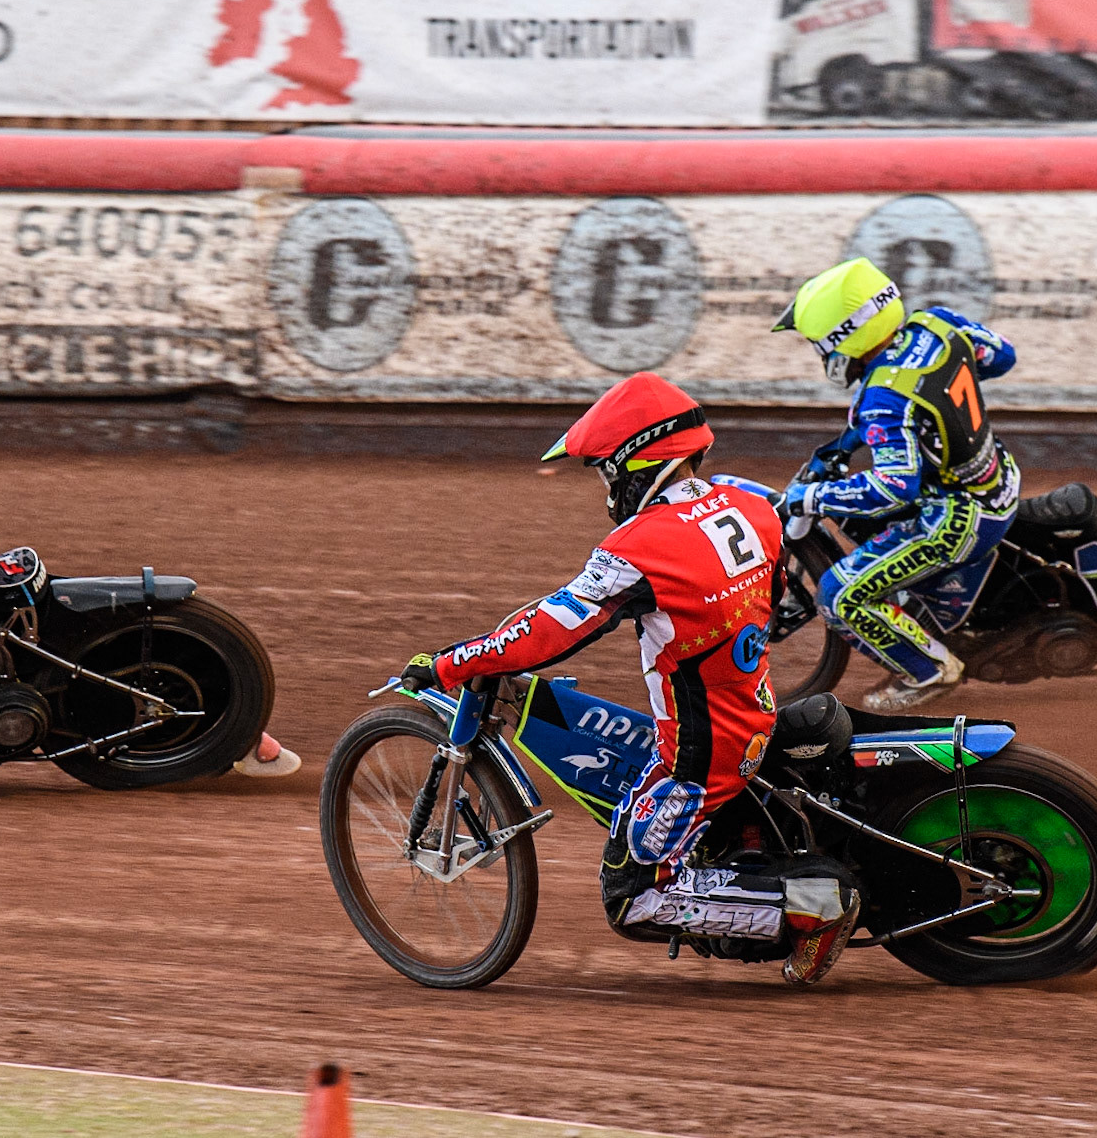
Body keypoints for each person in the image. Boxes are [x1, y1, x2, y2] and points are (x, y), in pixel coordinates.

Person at [399, 372, 863, 985]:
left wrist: (454, 661)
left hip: (700, 754)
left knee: (631, 896)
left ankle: (816, 905)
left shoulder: (641, 545)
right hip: (753, 705)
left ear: (635, 462)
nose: (607, 487)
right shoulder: (752, 505)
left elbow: (554, 629)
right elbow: (774, 597)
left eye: (605, 471)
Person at [772, 257, 1022, 711]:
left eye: (818, 344)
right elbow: (1002, 356)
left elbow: (894, 487)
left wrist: (812, 497)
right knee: (863, 523)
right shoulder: (938, 324)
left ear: (844, 337)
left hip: (957, 517)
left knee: (839, 595)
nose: (821, 355)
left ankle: (931, 671)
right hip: (997, 477)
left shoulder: (884, 397)